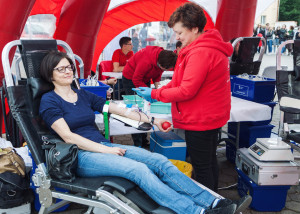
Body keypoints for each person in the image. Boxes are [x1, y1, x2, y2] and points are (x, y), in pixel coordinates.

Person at [38, 51, 250, 214]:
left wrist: (153, 119)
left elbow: (119, 109)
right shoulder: (49, 101)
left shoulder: (82, 94)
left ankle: (215, 202)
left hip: (105, 148)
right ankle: (196, 211)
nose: (68, 72)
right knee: (139, 170)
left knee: (159, 161)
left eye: (69, 67)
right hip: (80, 155)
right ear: (50, 74)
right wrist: (105, 150)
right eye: (61, 69)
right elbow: (68, 137)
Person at [135, 2, 234, 193]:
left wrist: (155, 93)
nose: (177, 37)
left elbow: (187, 90)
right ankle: (215, 201)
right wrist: (160, 92)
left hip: (200, 118)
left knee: (202, 166)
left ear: (195, 29)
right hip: (208, 116)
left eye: (180, 33)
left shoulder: (201, 52)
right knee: (209, 161)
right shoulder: (200, 47)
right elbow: (179, 81)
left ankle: (209, 204)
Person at [122, 46, 177, 147]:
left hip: (145, 77)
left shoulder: (164, 57)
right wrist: (152, 93)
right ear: (159, 63)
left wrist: (158, 90)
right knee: (137, 110)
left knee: (147, 109)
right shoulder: (146, 61)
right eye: (163, 68)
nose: (164, 70)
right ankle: (138, 143)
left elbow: (158, 73)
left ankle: (144, 139)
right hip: (131, 78)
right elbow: (136, 79)